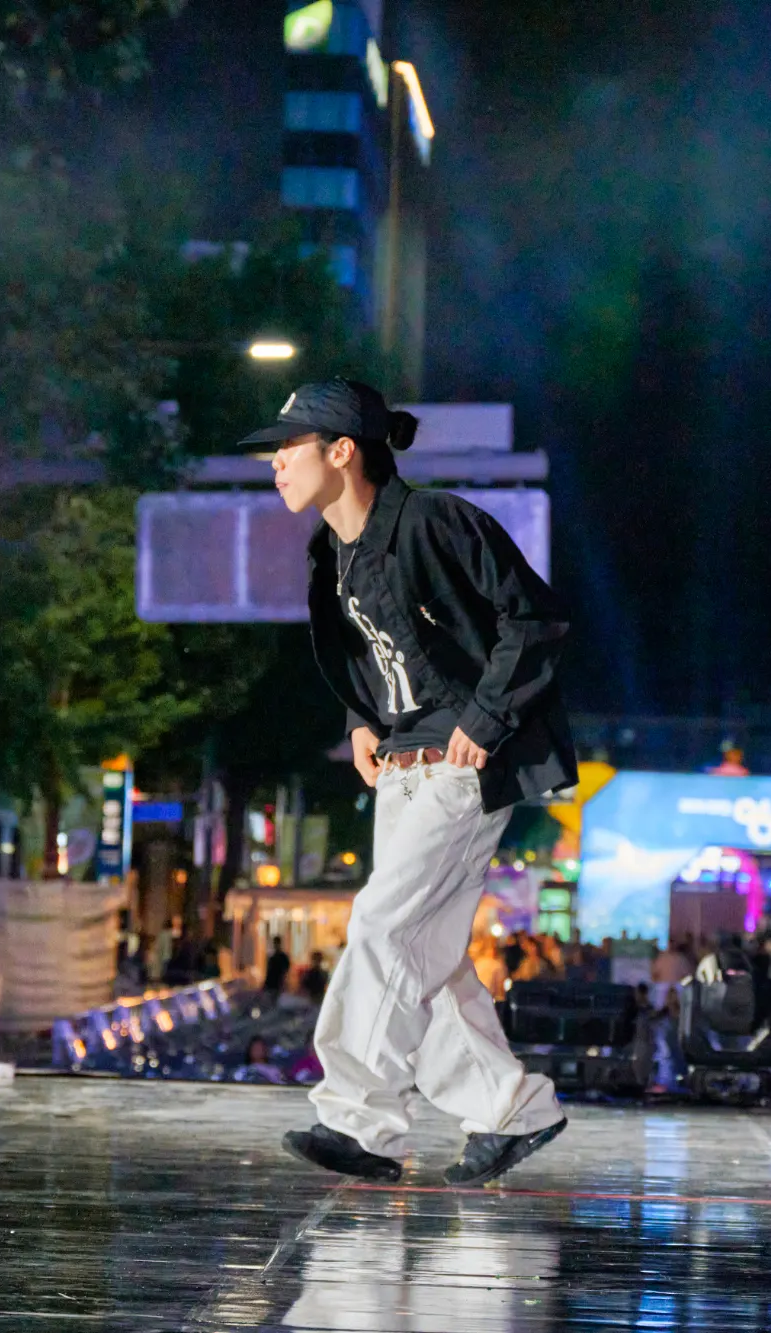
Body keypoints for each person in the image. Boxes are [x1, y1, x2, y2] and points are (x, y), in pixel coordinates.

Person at [257, 379, 574, 1188]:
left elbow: (535, 619)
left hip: (462, 764)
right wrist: (361, 720)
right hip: (400, 764)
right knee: (427, 956)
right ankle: (511, 1108)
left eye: (288, 446)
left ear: (342, 450)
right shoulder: (333, 551)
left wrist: (486, 720)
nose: (274, 462)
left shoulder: (435, 521)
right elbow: (371, 654)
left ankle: (357, 1117)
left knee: (384, 924)